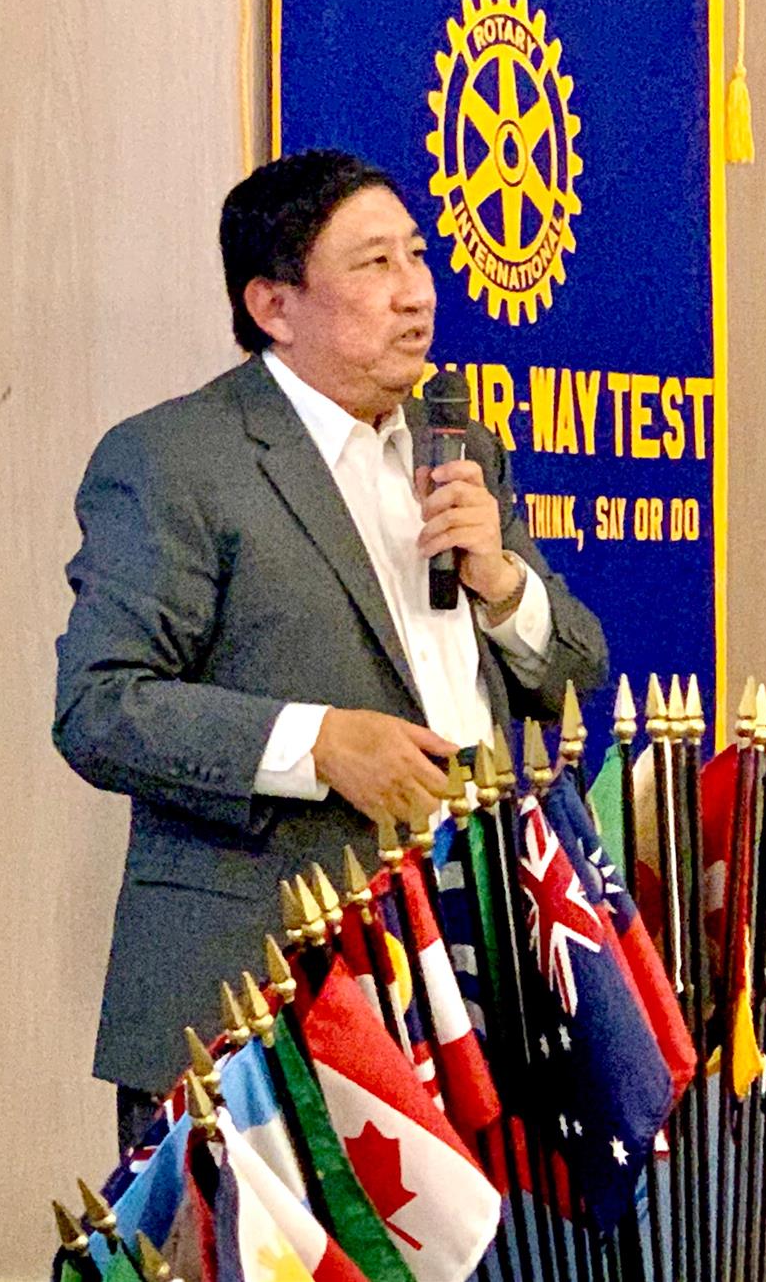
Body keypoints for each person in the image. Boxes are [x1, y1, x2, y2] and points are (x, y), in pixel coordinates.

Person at [52, 150, 608, 1155]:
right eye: (374, 264)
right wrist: (318, 746)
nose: (417, 293)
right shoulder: (177, 460)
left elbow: (571, 672)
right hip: (262, 1001)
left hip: (456, 983)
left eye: (418, 256)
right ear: (274, 305)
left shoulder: (459, 447)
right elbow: (100, 707)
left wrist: (501, 584)